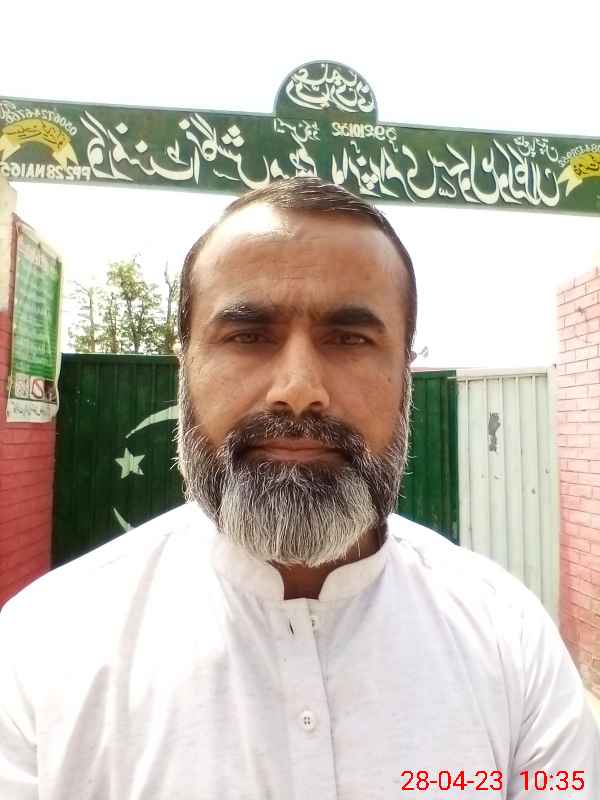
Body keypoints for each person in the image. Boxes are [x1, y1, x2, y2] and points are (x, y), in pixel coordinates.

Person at [0, 176, 598, 799]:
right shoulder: (42, 650)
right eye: (248, 336)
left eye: (349, 339)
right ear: (186, 367)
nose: (299, 388)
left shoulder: (509, 640)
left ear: (405, 374)